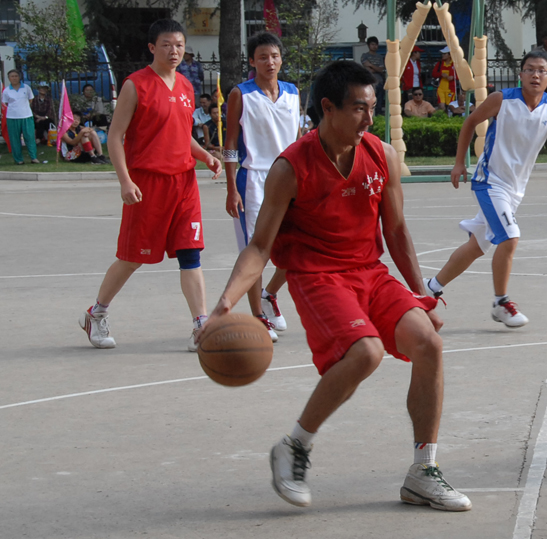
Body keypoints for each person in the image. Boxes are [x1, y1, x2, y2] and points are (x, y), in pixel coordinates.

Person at [204, 59, 471, 512]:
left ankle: (422, 472)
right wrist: (225, 303)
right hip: (317, 276)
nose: (369, 119)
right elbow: (260, 246)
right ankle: (294, 445)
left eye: (372, 108)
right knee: (365, 352)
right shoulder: (291, 167)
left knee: (428, 343)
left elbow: (396, 231)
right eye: (359, 109)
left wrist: (420, 295)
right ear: (328, 108)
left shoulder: (381, 154)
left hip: (369, 271)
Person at [78, 19, 222, 351]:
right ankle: (96, 313)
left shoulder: (185, 86)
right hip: (147, 184)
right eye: (167, 45)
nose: (174, 51)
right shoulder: (135, 85)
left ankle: (200, 325)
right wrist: (125, 180)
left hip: (184, 183)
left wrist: (205, 155)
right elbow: (115, 136)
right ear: (152, 48)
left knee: (190, 253)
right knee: (133, 258)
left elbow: (182, 134)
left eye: (180, 45)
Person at [423, 50, 547, 327]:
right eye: (530, 69)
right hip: (490, 181)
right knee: (510, 237)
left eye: (542, 71)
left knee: (477, 245)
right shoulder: (502, 99)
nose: (535, 75)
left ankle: (430, 287)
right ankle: (501, 302)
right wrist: (459, 163)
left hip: (515, 189)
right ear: (520, 74)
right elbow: (470, 122)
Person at [223, 31, 301, 342]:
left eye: (274, 56)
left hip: (290, 176)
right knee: (255, 252)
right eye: (263, 57)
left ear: (281, 59)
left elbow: (298, 140)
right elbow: (230, 143)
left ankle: (270, 294)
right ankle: (258, 316)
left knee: (299, 246)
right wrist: (231, 187)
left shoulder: (292, 92)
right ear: (252, 61)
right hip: (253, 180)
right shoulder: (240, 95)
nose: (270, 62)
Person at [2, 69, 39, 165]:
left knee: (30, 137)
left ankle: (33, 157)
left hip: (26, 116)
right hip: (12, 117)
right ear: (9, 78)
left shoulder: (26, 88)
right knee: (14, 139)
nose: (14, 78)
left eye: (16, 76)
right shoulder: (6, 90)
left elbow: (30, 100)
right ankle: (18, 159)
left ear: (19, 77)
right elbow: (6, 103)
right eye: (12, 76)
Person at [360, 36, 385, 114]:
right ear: (368, 45)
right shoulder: (365, 55)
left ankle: (378, 115)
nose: (374, 46)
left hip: (380, 81)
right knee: (369, 100)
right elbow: (367, 69)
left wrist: (371, 65)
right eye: (372, 44)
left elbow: (381, 69)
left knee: (379, 100)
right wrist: (376, 68)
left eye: (376, 44)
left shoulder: (380, 57)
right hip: (369, 81)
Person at [432, 46, 457, 111]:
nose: (442, 55)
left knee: (450, 106)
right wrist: (441, 74)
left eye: (444, 54)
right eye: (442, 54)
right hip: (441, 88)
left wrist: (453, 77)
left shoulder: (454, 64)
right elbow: (433, 74)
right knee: (441, 106)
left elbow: (460, 75)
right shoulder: (440, 63)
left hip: (450, 89)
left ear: (449, 55)